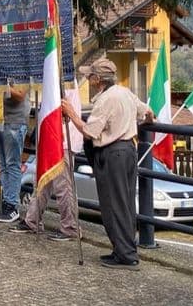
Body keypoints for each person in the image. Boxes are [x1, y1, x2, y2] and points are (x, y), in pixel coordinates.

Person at [62, 58, 153, 270]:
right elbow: (148, 112)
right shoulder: (124, 93)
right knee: (126, 202)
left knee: (113, 203)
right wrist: (141, 123)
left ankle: (125, 255)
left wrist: (72, 114)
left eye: (91, 75)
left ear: (97, 79)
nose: (89, 78)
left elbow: (90, 131)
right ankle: (124, 249)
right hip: (129, 149)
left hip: (113, 154)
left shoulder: (105, 101)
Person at [0, 78, 30, 223]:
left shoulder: (23, 70)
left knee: (12, 163)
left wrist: (1, 86)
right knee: (2, 164)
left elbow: (20, 95)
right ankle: (6, 201)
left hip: (15, 120)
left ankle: (12, 205)